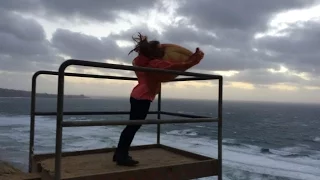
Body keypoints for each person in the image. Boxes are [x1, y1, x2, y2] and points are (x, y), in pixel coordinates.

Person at [113, 33, 204, 166]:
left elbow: (166, 65)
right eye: (160, 49)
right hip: (143, 97)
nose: (162, 50)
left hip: (137, 95)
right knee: (133, 127)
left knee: (131, 126)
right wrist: (192, 61)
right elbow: (172, 67)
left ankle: (120, 154)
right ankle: (121, 156)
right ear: (154, 52)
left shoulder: (141, 61)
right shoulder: (153, 64)